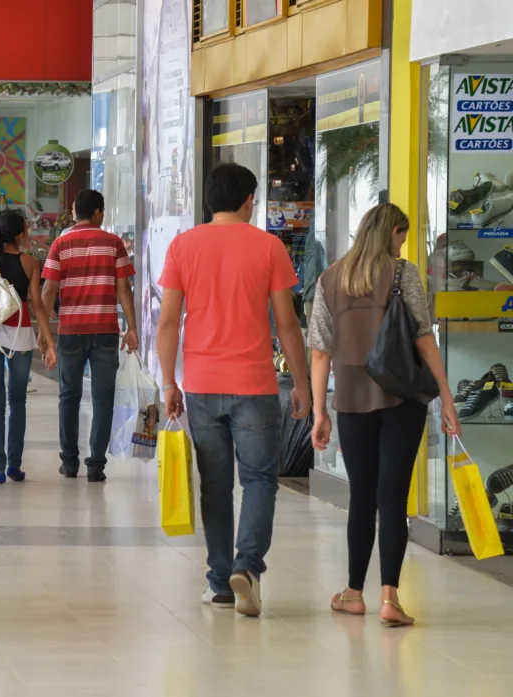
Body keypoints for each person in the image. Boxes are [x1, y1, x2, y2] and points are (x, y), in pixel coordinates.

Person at [157, 162, 310, 618]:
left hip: (202, 385)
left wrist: (169, 381)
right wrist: (301, 383)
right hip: (256, 386)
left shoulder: (183, 246)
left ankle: (221, 582)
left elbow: (168, 321)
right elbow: (287, 323)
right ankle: (248, 566)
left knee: (216, 486)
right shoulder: (268, 247)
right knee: (261, 479)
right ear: (248, 200)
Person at [308, 203, 461, 628]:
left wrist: (319, 411)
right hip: (402, 399)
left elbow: (320, 350)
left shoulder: (330, 279)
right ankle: (390, 598)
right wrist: (446, 398)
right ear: (392, 232)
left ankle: (354, 593)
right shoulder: (403, 273)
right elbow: (423, 339)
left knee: (362, 496)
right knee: (392, 497)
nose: (402, 245)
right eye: (402, 236)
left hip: (353, 401)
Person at [41, 189, 138, 484]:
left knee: (68, 396)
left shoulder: (60, 244)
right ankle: (96, 464)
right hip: (105, 331)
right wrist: (132, 328)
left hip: (70, 332)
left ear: (74, 212)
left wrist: (45, 333)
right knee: (103, 398)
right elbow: (123, 290)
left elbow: (48, 291)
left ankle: (69, 462)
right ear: (98, 213)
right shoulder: (114, 244)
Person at [0, 211, 58, 484]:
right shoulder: (30, 263)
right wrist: (49, 341)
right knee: (18, 401)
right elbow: (38, 304)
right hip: (20, 338)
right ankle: (14, 466)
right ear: (21, 234)